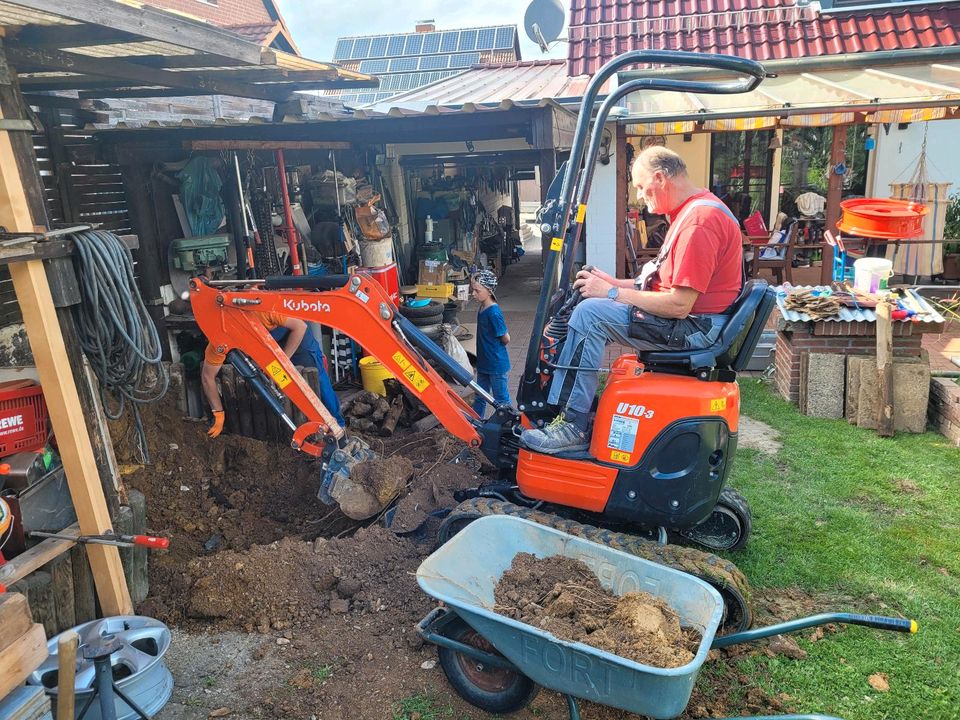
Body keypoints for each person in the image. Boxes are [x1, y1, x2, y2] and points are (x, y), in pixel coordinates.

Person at [521, 146, 744, 455]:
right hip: (698, 322)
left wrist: (609, 293)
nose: (640, 196)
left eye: (641, 187)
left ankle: (573, 425)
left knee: (590, 315)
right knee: (591, 305)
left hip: (695, 328)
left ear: (660, 178)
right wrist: (610, 281)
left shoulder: (699, 222)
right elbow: (662, 285)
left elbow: (679, 305)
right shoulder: (694, 211)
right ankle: (577, 407)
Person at [201, 312, 345, 438]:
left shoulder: (261, 312)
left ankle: (338, 425)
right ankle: (299, 427)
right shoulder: (220, 341)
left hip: (295, 334)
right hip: (267, 345)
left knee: (315, 377)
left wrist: (283, 361)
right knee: (283, 382)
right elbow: (208, 377)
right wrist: (218, 413)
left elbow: (300, 327)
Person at [470, 269, 511, 418]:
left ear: (489, 290)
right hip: (484, 362)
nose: (473, 294)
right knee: (480, 396)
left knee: (501, 399)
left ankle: (507, 424)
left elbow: (506, 338)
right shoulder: (482, 308)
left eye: (477, 290)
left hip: (496, 364)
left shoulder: (494, 312)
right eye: (472, 290)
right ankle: (476, 422)